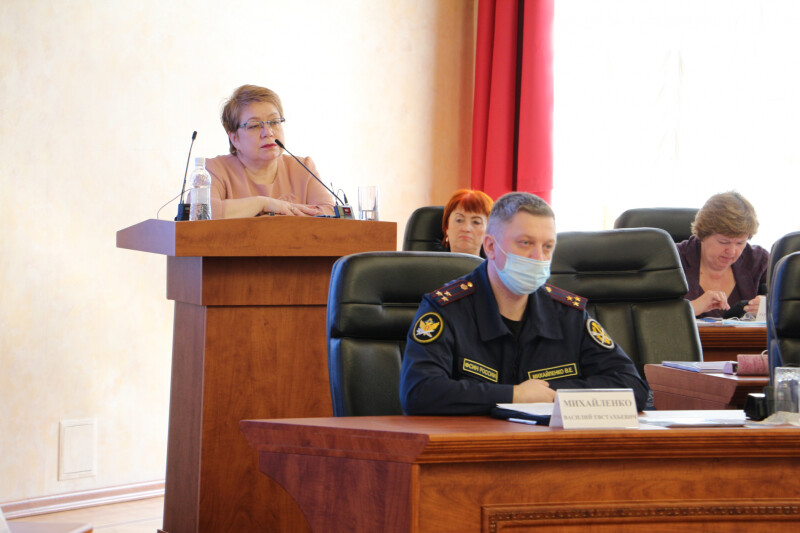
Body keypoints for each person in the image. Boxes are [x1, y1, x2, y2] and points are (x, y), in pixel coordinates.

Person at [399, 192, 649, 415]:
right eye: (525, 243)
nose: (538, 257)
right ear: (491, 247)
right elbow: (419, 391)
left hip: (549, 445)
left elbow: (632, 387)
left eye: (547, 246)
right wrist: (514, 395)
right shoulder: (446, 308)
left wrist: (549, 394)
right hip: (472, 446)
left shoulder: (568, 314)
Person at [205, 85, 336, 219]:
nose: (268, 132)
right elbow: (201, 213)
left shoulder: (303, 167)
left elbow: (329, 214)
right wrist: (263, 203)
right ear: (234, 139)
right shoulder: (213, 170)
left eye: (274, 122)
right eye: (254, 125)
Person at [676, 191, 769, 318]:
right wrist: (692, 308)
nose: (732, 251)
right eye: (724, 242)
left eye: (740, 243)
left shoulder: (759, 261)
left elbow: (787, 308)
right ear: (703, 234)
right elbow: (652, 317)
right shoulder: (673, 259)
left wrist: (768, 307)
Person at [441, 189, 494, 256]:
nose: (466, 228)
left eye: (476, 222)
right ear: (446, 227)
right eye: (459, 220)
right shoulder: (429, 262)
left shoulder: (500, 262)